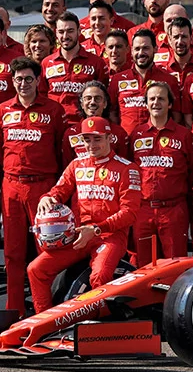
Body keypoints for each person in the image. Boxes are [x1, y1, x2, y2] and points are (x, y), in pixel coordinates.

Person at [29, 117, 142, 312]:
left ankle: (100, 324)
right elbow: (58, 191)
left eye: (97, 139)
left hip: (110, 236)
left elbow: (129, 213)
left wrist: (97, 229)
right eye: (87, 139)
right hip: (78, 236)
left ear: (109, 138)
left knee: (99, 277)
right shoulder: (77, 165)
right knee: (36, 269)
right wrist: (47, 198)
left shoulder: (127, 169)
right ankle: (45, 322)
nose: (91, 145)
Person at [0, 56, 67, 313]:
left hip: (43, 187)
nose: (23, 84)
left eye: (28, 79)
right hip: (12, 185)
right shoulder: (3, 109)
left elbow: (60, 150)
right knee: (12, 252)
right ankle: (14, 311)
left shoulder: (53, 109)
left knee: (46, 249)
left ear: (37, 80)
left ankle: (46, 311)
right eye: (18, 79)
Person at [128, 80, 193, 262]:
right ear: (146, 104)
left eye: (161, 99)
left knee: (175, 265)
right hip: (143, 209)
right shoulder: (136, 134)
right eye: (152, 99)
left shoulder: (184, 135)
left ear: (170, 104)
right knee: (144, 266)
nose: (156, 103)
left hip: (173, 209)